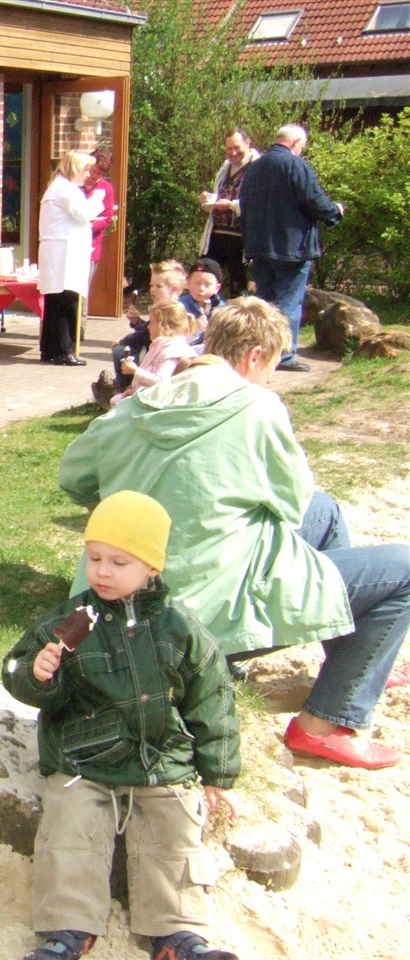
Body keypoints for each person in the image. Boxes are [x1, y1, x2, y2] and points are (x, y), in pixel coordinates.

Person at [61, 298, 409, 769]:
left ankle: (350, 654)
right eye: (273, 367)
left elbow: (73, 478)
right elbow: (289, 502)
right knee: (404, 570)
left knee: (325, 511)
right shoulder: (257, 408)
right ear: (254, 357)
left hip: (121, 606)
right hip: (201, 619)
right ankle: (326, 723)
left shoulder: (134, 406)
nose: (271, 378)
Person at [2, 491, 241, 960]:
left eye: (119, 562)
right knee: (69, 829)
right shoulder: (75, 620)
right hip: (84, 759)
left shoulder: (179, 628)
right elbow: (16, 668)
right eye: (94, 558)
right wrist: (38, 674)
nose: (103, 572)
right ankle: (68, 929)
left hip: (159, 758)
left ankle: (178, 934)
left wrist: (218, 773)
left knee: (173, 830)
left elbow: (212, 699)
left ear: (152, 567)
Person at [239, 123, 345, 373]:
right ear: (296, 142)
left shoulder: (253, 168)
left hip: (259, 246)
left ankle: (261, 354)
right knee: (288, 302)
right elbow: (313, 199)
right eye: (302, 146)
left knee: (264, 303)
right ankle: (284, 356)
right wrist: (335, 212)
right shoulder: (295, 165)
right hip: (291, 247)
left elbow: (244, 204)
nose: (302, 150)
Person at [37, 150, 104, 367]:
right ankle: (64, 350)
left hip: (61, 252)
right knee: (67, 302)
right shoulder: (65, 189)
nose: (88, 175)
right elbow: (82, 213)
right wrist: (97, 198)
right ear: (74, 169)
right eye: (85, 170)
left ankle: (50, 349)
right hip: (64, 254)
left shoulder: (59, 187)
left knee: (55, 302)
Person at [91, 260, 186, 409]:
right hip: (154, 352)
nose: (153, 290)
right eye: (151, 285)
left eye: (158, 286)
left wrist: (123, 341)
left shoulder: (170, 309)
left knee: (120, 352)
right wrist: (137, 322)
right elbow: (148, 329)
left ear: (174, 289)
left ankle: (125, 386)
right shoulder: (163, 306)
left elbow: (147, 334)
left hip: (159, 357)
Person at [199, 128, 260, 298]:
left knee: (238, 285)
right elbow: (221, 193)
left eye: (236, 147)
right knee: (207, 278)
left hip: (240, 236)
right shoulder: (226, 166)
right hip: (217, 233)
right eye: (229, 148)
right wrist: (208, 198)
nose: (232, 152)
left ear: (248, 143)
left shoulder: (257, 167)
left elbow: (258, 202)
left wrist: (232, 205)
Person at [108, 301, 195, 408]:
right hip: (144, 398)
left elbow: (160, 382)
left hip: (154, 405)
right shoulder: (159, 346)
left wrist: (135, 371)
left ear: (163, 326)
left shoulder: (172, 352)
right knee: (115, 401)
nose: (148, 327)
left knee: (116, 406)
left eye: (152, 323)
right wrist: (132, 389)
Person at [83, 148, 117, 290]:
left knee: (84, 288)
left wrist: (90, 226)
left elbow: (107, 218)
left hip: (91, 244)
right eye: (93, 171)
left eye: (99, 174)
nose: (94, 176)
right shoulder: (76, 183)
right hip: (69, 243)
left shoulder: (106, 188)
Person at [178, 258, 225, 346]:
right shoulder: (178, 307)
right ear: (188, 283)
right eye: (197, 283)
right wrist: (196, 329)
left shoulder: (223, 310)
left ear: (217, 288)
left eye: (207, 284)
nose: (201, 288)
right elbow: (173, 339)